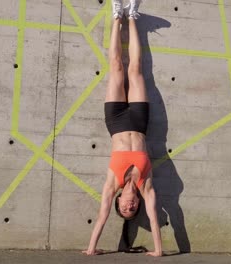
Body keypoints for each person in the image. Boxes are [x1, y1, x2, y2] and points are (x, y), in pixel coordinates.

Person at [82, 0, 162, 257]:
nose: (128, 206)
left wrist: (92, 248)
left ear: (119, 201)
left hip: (115, 120)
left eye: (124, 208)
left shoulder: (111, 185)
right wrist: (158, 251)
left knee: (116, 68)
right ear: (136, 203)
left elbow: (102, 215)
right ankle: (133, 17)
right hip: (139, 121)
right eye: (132, 209)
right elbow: (152, 217)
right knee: (136, 69)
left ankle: (117, 16)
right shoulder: (145, 185)